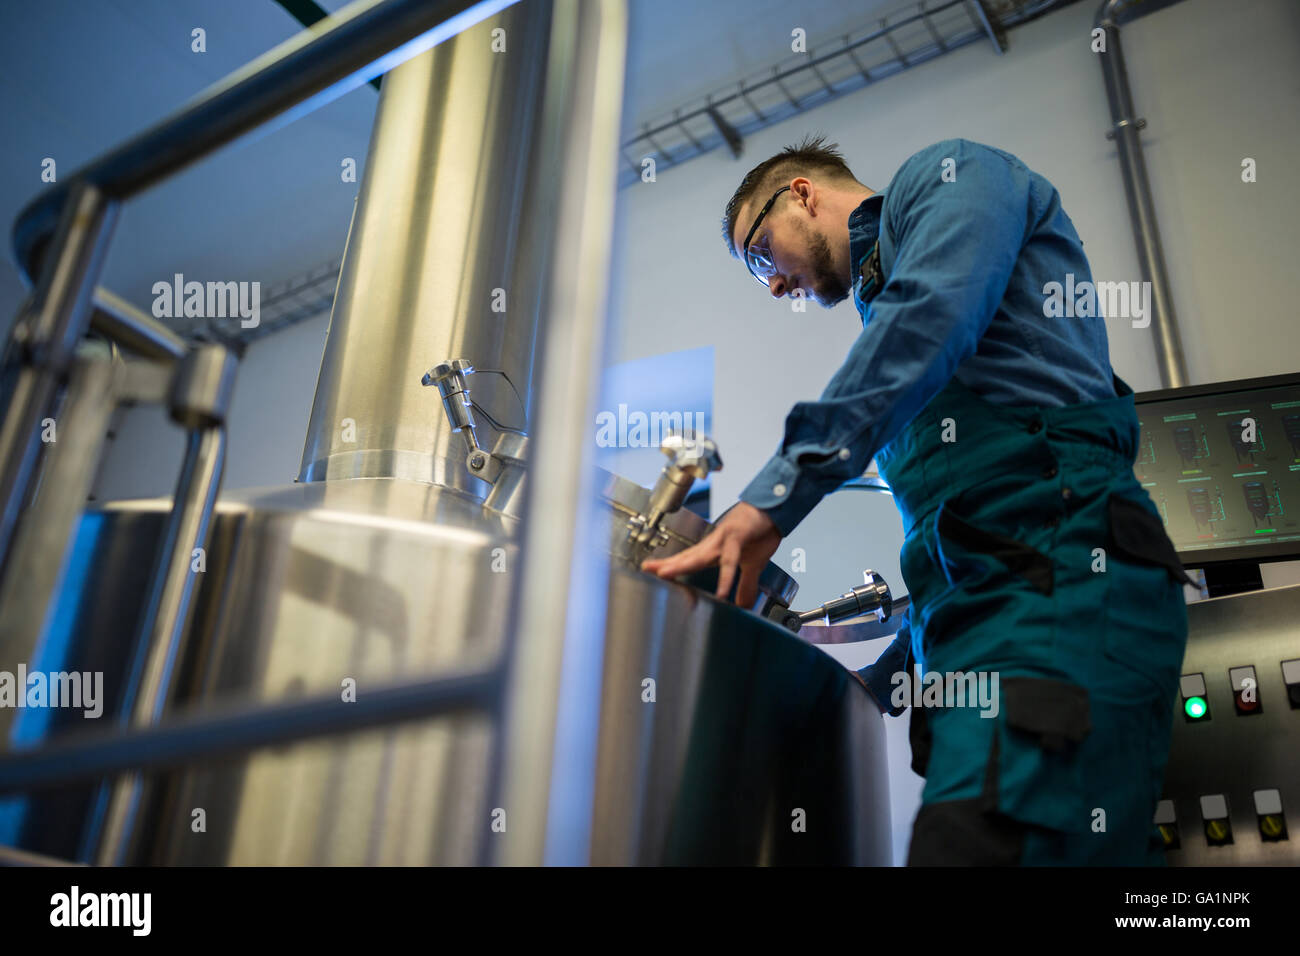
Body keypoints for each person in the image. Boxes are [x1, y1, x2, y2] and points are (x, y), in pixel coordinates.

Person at [640, 136, 1193, 866]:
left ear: (802, 193)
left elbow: (929, 316)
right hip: (997, 623)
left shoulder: (948, 178)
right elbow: (964, 544)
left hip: (1065, 588)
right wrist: (877, 682)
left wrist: (772, 500)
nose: (772, 284)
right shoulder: (888, 315)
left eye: (759, 251)